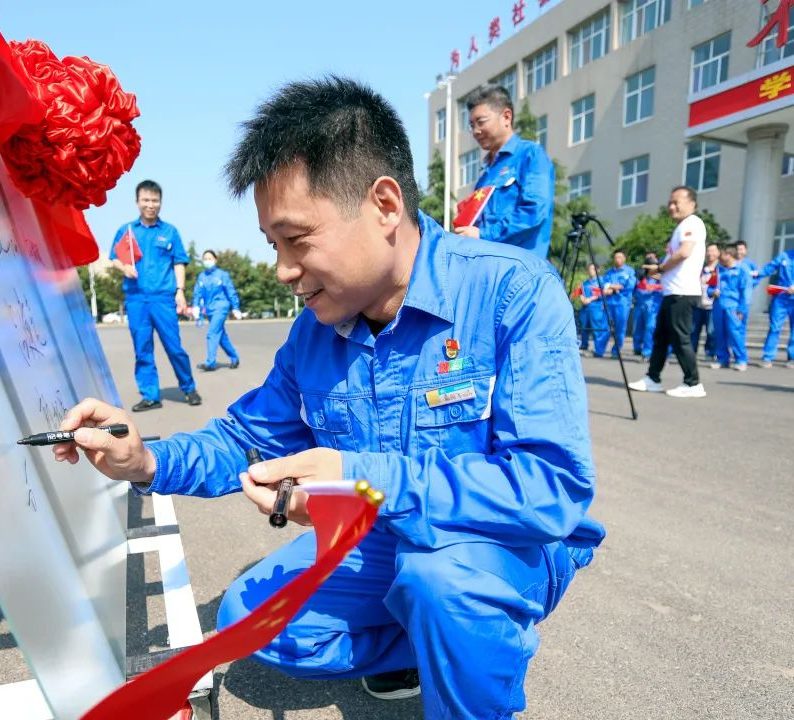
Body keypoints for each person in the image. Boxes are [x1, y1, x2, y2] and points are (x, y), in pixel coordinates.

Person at [53, 76, 604, 719]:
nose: (285, 270)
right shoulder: (316, 331)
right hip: (389, 537)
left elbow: (550, 490)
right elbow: (245, 438)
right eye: (273, 246)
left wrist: (359, 478)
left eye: (298, 239)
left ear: (384, 205)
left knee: (444, 584)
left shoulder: (511, 293)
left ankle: (471, 683)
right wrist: (145, 460)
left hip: (496, 540)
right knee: (253, 615)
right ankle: (422, 646)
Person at [110, 180, 202, 411]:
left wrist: (180, 292)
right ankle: (151, 395)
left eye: (155, 201)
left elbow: (179, 263)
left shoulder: (170, 232)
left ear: (160, 202)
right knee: (142, 349)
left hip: (163, 298)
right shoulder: (127, 231)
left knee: (174, 347)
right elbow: (114, 257)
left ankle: (189, 388)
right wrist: (124, 268)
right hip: (136, 298)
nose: (150, 205)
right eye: (146, 200)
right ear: (137, 202)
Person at [454, 84, 555, 259]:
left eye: (481, 122)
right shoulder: (486, 174)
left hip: (520, 270)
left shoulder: (530, 155)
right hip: (488, 270)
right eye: (471, 125)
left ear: (506, 117)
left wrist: (483, 235)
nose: (475, 131)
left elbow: (534, 211)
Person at [629, 186, 707, 398]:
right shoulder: (682, 227)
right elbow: (666, 266)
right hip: (671, 292)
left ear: (692, 204)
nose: (671, 207)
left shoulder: (692, 223)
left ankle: (693, 383)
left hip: (682, 293)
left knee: (680, 339)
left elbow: (684, 253)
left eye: (676, 203)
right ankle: (652, 378)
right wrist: (651, 274)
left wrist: (660, 269)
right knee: (660, 337)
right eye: (670, 203)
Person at [192, 249, 242, 371]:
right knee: (221, 336)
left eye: (210, 258)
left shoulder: (222, 275)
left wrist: (236, 307)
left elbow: (230, 291)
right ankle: (234, 358)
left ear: (215, 260)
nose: (207, 261)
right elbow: (197, 293)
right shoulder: (202, 276)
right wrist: (196, 306)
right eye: (205, 259)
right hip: (209, 309)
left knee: (212, 333)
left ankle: (210, 363)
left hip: (221, 307)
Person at [708, 244, 751, 371]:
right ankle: (722, 359)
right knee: (719, 333)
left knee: (735, 332)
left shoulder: (742, 269)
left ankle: (741, 360)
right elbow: (710, 287)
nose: (719, 257)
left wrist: (742, 309)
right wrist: (712, 292)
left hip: (734, 307)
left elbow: (746, 292)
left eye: (721, 255)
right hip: (718, 305)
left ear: (729, 255)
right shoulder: (718, 269)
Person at [753, 245, 794, 368]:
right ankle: (768, 357)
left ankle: (792, 358)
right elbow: (770, 267)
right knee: (774, 327)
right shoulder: (784, 256)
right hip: (781, 298)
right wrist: (757, 273)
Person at [594, 249, 635, 358]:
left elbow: (627, 286)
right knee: (604, 327)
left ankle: (616, 352)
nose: (617, 259)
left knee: (620, 328)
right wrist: (613, 287)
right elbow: (603, 285)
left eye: (620, 257)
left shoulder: (629, 271)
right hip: (609, 303)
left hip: (622, 304)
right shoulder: (609, 272)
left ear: (624, 258)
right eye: (616, 257)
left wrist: (612, 287)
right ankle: (599, 351)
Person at [691, 243, 720, 361]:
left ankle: (710, 352)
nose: (710, 254)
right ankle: (691, 353)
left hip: (712, 306)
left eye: (713, 251)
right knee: (693, 330)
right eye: (708, 251)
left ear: (718, 253)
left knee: (711, 331)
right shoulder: (701, 269)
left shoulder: (720, 270)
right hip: (698, 304)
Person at [631, 252, 663, 361]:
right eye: (649, 259)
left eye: (653, 259)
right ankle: (637, 348)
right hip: (640, 306)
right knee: (637, 329)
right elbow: (635, 290)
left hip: (653, 307)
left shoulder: (661, 278)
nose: (651, 260)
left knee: (650, 328)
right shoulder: (641, 277)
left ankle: (647, 352)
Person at [577, 263, 603, 355]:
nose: (590, 271)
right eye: (589, 269)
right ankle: (584, 345)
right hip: (585, 308)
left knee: (597, 329)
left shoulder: (601, 281)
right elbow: (579, 291)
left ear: (597, 270)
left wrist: (590, 299)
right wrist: (582, 298)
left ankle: (598, 350)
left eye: (592, 269)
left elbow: (602, 293)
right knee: (584, 328)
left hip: (595, 308)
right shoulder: (585, 282)